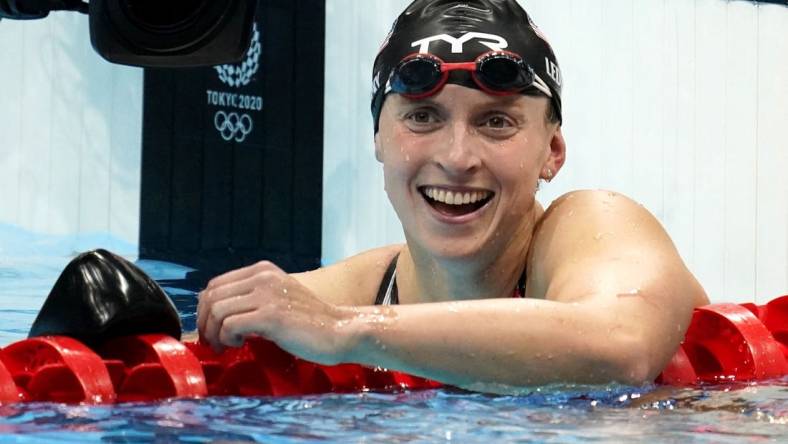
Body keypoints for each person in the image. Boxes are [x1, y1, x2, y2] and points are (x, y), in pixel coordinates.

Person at [196, 0, 708, 392]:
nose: (457, 157)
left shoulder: (595, 226)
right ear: (378, 138)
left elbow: (621, 347)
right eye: (423, 117)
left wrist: (347, 330)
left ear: (552, 150)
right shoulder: (349, 293)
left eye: (496, 121)